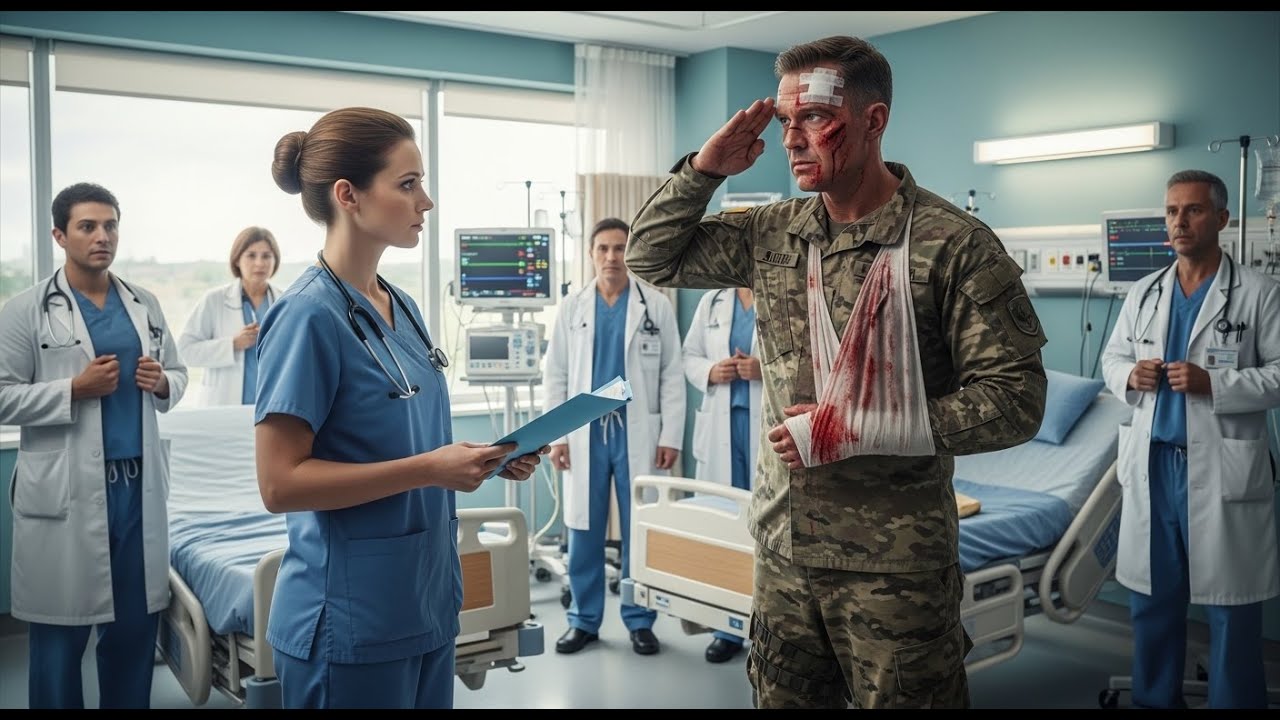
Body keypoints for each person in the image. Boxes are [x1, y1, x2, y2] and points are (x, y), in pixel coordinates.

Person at [625, 36, 1048, 708]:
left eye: (814, 119)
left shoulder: (952, 245)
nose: (793, 140)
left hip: (896, 566)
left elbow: (1016, 401)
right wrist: (706, 169)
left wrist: (861, 429)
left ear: (874, 122)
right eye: (784, 121)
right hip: (784, 551)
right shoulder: (773, 231)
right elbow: (649, 259)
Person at [256, 106, 546, 709]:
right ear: (348, 196)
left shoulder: (400, 305)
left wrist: (487, 461)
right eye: (408, 184)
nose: (427, 202)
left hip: (424, 598)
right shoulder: (306, 316)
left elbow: (410, 439)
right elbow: (280, 484)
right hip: (348, 617)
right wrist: (429, 470)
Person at [0, 182, 188, 709]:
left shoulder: (143, 303)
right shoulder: (25, 310)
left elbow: (177, 370)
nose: (102, 236)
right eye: (87, 226)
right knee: (59, 639)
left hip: (136, 488)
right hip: (65, 494)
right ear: (60, 235)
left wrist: (164, 381)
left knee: (133, 630)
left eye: (110, 225)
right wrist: (73, 390)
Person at [1100, 169, 1279, 709]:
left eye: (1194, 210)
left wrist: (1215, 383)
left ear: (1222, 219)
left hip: (1223, 468)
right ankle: (1155, 700)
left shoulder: (1259, 294)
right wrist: (1130, 376)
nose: (1180, 221)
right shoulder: (1145, 291)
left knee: (1230, 605)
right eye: (1173, 211)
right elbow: (1112, 359)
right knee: (1152, 601)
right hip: (1154, 465)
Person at [543, 217, 686, 657]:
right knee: (583, 529)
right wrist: (558, 437)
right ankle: (584, 621)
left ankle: (640, 620)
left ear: (631, 253)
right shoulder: (572, 307)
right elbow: (557, 375)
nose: (611, 257)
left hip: (637, 431)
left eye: (620, 248)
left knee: (639, 530)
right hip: (586, 433)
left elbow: (673, 376)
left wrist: (672, 437)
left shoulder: (655, 305)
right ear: (590, 254)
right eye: (603, 248)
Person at [682, 286, 761, 663]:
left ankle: (769, 628)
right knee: (725, 530)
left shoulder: (783, 289)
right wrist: (712, 371)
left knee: (764, 531)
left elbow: (808, 358)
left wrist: (763, 369)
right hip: (721, 427)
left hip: (766, 425)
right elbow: (689, 356)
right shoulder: (712, 300)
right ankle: (726, 629)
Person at [177, 226, 285, 406]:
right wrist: (233, 344)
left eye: (267, 256)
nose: (260, 263)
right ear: (237, 260)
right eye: (251, 255)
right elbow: (185, 352)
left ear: (275, 261)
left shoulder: (284, 302)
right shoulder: (214, 300)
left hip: (272, 404)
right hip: (223, 405)